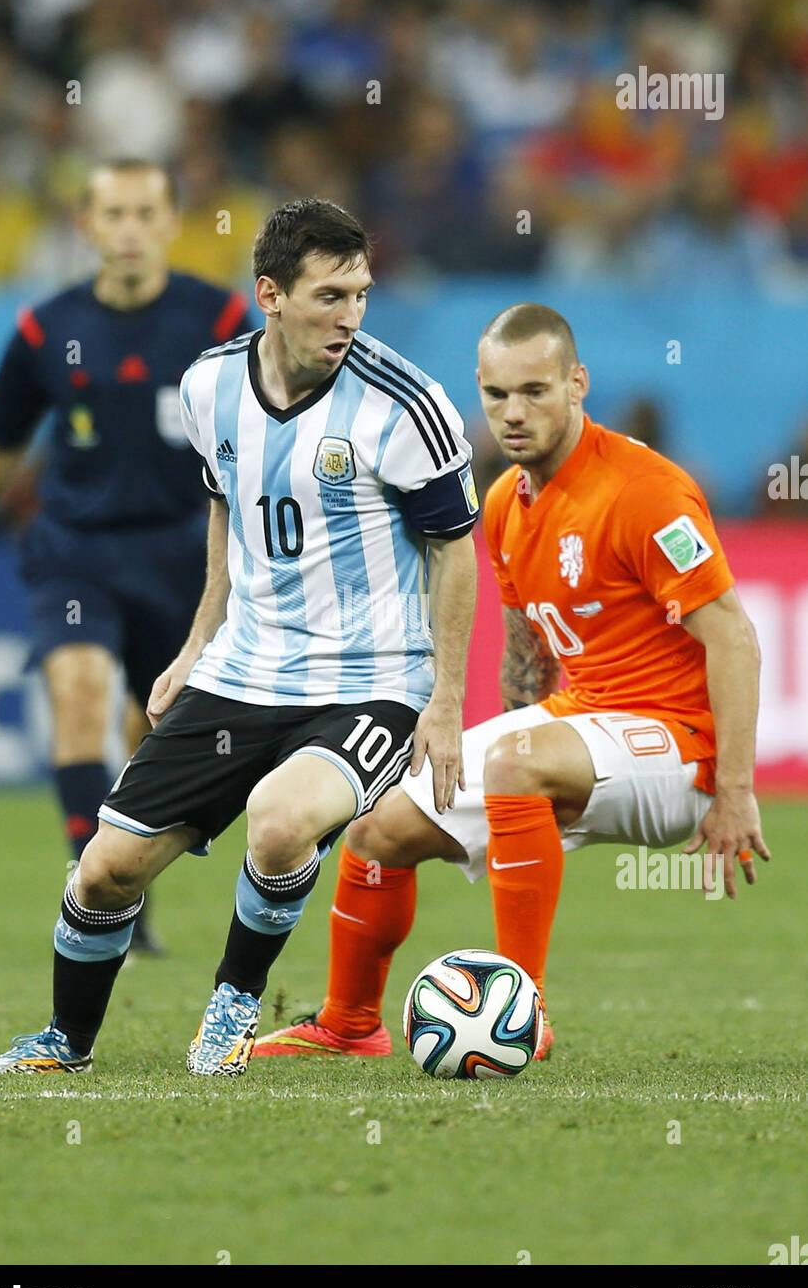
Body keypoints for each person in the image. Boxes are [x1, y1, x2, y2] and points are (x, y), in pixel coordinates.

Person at [0, 198, 480, 1078]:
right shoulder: (208, 385)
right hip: (245, 669)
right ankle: (66, 1043)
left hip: (369, 680)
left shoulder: (407, 404)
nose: (351, 315)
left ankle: (234, 1003)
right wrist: (195, 645)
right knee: (105, 870)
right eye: (330, 296)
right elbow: (228, 510)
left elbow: (457, 552)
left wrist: (443, 699)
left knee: (282, 826)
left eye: (361, 294)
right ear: (271, 294)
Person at [253, 302, 770, 1062]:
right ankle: (347, 1024)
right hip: (583, 721)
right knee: (376, 826)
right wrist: (507, 782)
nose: (514, 413)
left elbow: (734, 634)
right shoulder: (502, 504)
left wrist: (733, 790)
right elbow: (528, 656)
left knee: (514, 762)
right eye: (498, 396)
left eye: (535, 390)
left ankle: (522, 1015)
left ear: (577, 383)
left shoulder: (645, 490)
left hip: (681, 746)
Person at [0, 158, 253, 952]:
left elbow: (268, 429)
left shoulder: (218, 321)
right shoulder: (47, 329)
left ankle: (121, 872)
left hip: (186, 556)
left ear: (171, 221)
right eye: (112, 213)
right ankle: (96, 894)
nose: (128, 230)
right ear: (85, 225)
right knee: (78, 694)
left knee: (146, 727)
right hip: (75, 551)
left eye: (145, 212)